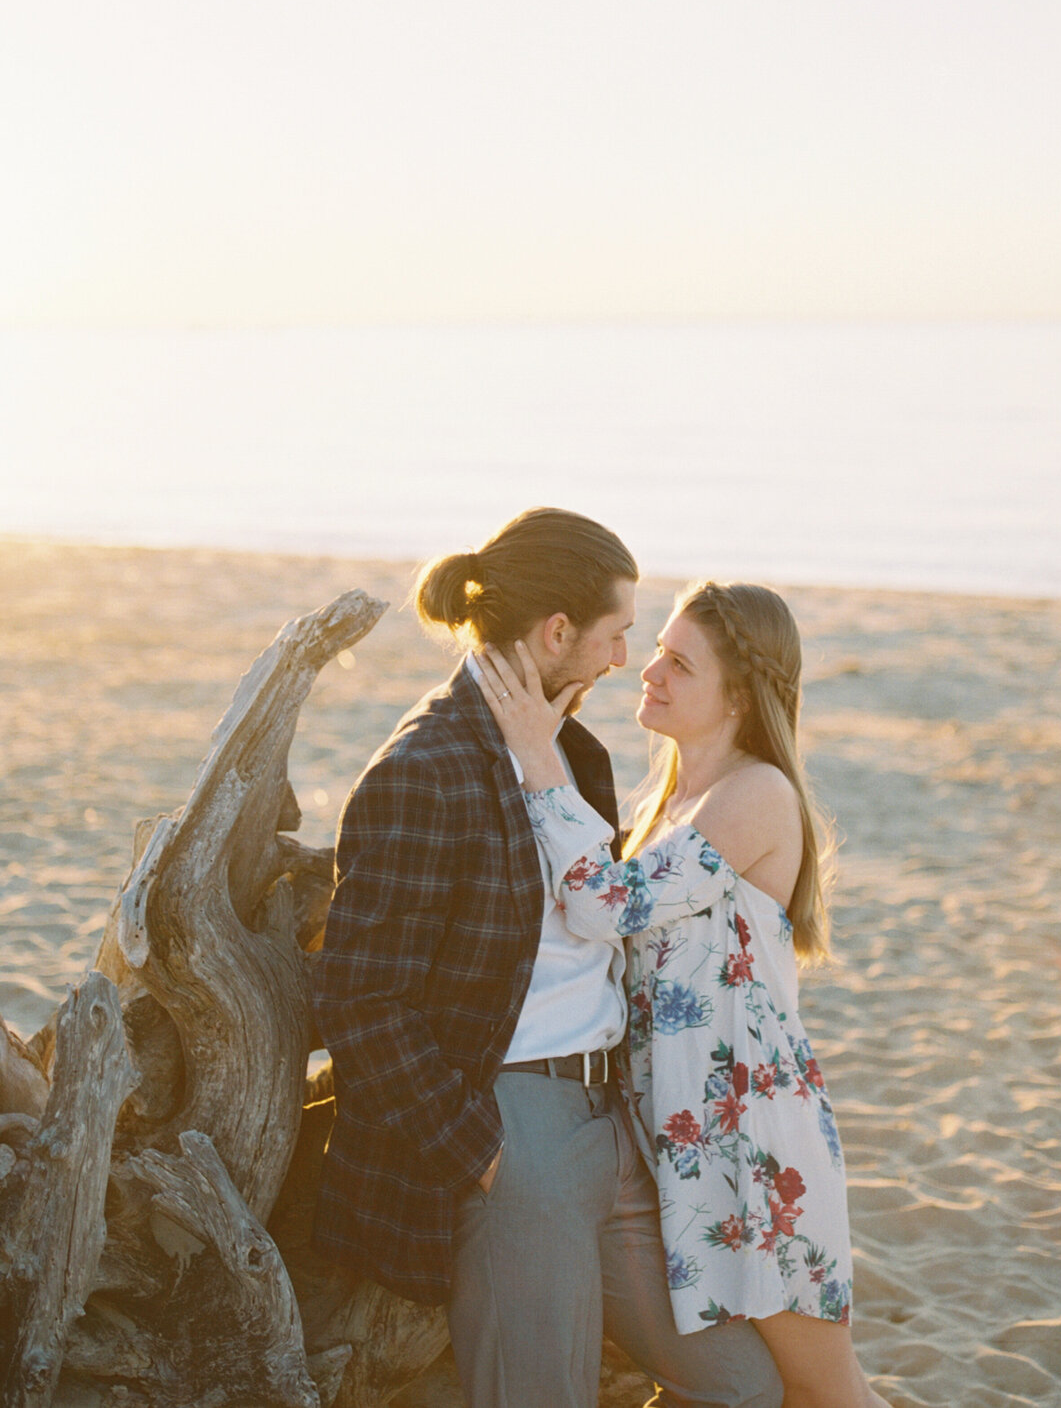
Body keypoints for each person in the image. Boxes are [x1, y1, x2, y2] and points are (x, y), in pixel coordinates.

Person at [312, 511, 783, 1408]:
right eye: (614, 637)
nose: (621, 661)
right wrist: (482, 1155)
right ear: (556, 633)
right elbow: (361, 993)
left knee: (741, 1388)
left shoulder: (573, 755)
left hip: (616, 1123)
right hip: (513, 1124)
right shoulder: (427, 765)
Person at [476, 580, 890, 1408]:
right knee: (721, 1383)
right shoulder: (667, 805)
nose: (648, 671)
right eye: (657, 650)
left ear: (738, 695)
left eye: (678, 663)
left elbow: (603, 905)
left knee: (827, 1393)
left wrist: (538, 756)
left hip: (756, 1152)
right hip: (675, 1145)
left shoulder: (756, 795)